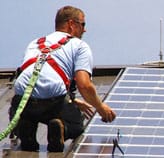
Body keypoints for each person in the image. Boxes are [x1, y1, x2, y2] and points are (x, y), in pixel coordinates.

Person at [9, 5, 116, 152]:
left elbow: (37, 80)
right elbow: (84, 85)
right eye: (83, 24)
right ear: (71, 24)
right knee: (77, 123)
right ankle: (60, 128)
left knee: (26, 114)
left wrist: (72, 100)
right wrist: (101, 107)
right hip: (52, 102)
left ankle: (25, 127)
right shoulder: (79, 46)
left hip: (22, 101)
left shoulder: (35, 43)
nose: (85, 30)